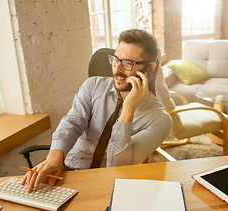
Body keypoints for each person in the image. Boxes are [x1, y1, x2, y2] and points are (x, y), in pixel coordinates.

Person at [22, 29, 172, 192]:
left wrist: (128, 110)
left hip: (107, 185)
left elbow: (118, 167)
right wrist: (54, 156)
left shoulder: (159, 120)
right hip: (66, 173)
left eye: (127, 63)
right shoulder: (93, 86)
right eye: (115, 59)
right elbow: (72, 122)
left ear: (149, 68)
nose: (117, 69)